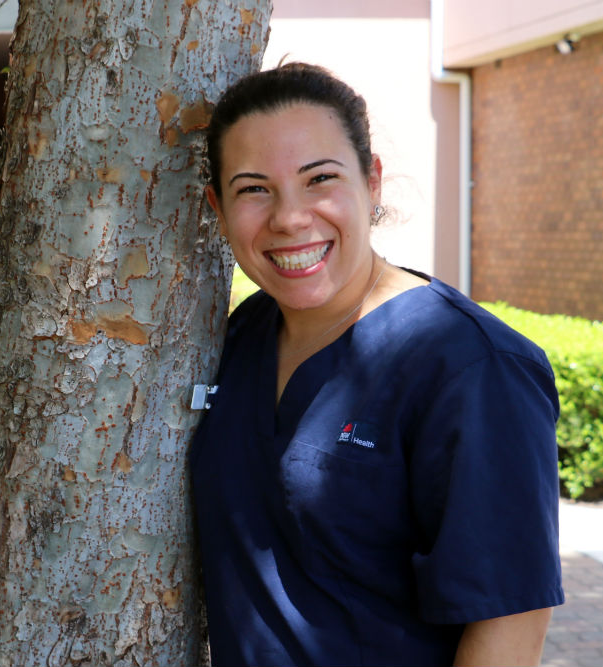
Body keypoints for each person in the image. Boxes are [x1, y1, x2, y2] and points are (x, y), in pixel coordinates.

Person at [190, 62, 563, 667]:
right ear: (218, 206)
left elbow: (509, 628)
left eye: (320, 178)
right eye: (254, 188)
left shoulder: (471, 368)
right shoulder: (241, 335)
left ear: (372, 182)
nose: (289, 217)